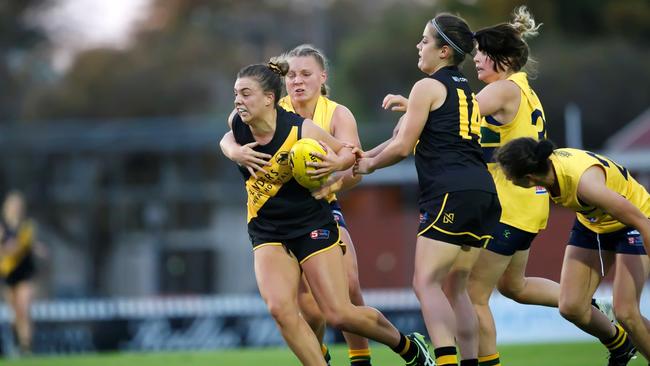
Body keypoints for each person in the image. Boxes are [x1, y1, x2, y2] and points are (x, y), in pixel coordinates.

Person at [220, 60, 433, 366]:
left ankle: (409, 347)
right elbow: (226, 136)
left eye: (245, 93)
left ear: (269, 98)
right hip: (266, 230)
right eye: (236, 94)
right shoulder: (239, 122)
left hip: (311, 224)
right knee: (281, 310)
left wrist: (336, 164)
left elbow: (349, 153)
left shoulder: (300, 128)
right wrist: (233, 150)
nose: (238, 100)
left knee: (339, 312)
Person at [355, 14, 501, 366]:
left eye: (425, 40)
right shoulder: (465, 87)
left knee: (425, 283)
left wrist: (368, 166)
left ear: (444, 52)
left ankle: (445, 361)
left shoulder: (427, 86)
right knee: (456, 287)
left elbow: (403, 146)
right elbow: (404, 136)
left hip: (450, 192)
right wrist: (364, 156)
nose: (419, 46)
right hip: (483, 192)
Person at [220, 44, 372, 366]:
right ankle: (319, 356)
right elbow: (230, 130)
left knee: (350, 285)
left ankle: (361, 358)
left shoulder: (336, 113)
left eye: (306, 74)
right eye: (292, 75)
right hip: (278, 218)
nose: (298, 81)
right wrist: (233, 150)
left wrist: (330, 180)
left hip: (323, 204)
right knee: (306, 303)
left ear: (322, 77)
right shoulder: (270, 105)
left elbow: (355, 168)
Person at [460, 7, 559, 366]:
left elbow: (454, 114)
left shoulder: (501, 90)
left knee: (473, 294)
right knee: (514, 287)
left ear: (501, 58)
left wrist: (415, 105)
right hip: (529, 206)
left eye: (481, 53)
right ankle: (586, 305)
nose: (476, 60)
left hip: (508, 207)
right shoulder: (524, 90)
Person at [495, 138, 648, 365]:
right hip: (593, 222)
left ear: (529, 179)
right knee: (571, 307)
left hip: (635, 221)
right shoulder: (545, 168)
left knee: (626, 312)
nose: (507, 179)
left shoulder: (586, 185)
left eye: (509, 176)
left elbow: (639, 220)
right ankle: (621, 346)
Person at [0, 191, 39, 354]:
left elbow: (21, 246)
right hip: (7, 274)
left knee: (24, 308)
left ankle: (27, 346)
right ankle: (17, 341)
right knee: (15, 313)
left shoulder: (27, 226)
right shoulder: (2, 227)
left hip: (25, 274)